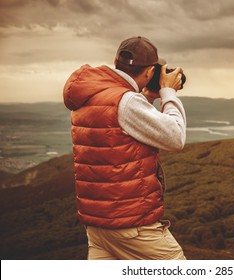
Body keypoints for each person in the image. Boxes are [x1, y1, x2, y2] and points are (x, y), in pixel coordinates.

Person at [63, 36, 186, 260]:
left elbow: (123, 131)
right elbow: (175, 138)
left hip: (98, 226)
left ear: (115, 61)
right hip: (132, 228)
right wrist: (169, 93)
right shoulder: (126, 101)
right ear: (150, 72)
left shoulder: (93, 95)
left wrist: (147, 98)